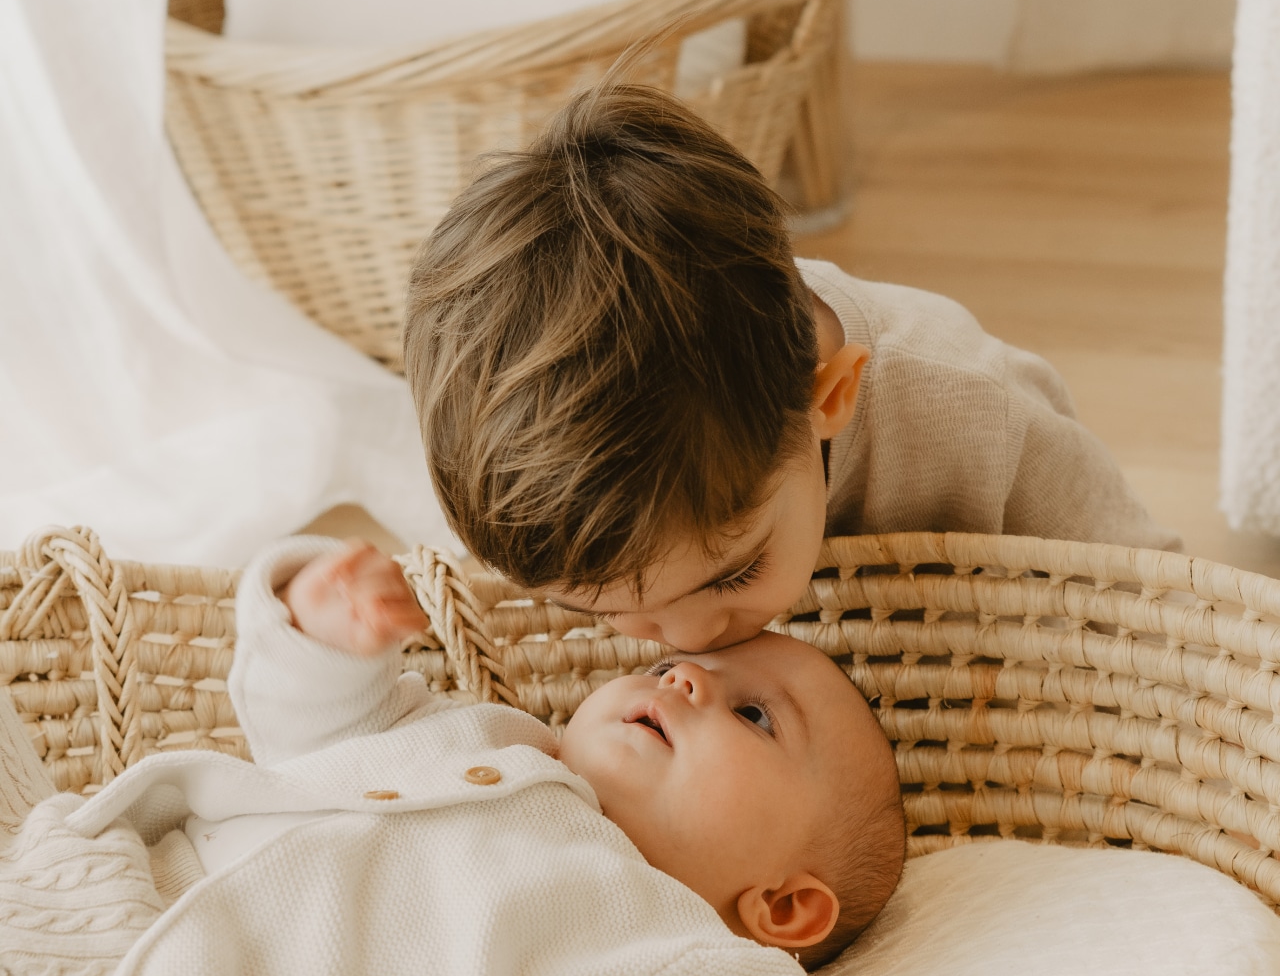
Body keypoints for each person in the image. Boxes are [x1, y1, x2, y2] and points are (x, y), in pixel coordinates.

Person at [0, 537, 905, 976]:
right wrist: (322, 630)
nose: (685, 678)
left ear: (783, 907)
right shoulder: (477, 735)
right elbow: (307, 729)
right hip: (74, 882)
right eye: (674, 663)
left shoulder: (680, 964)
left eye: (754, 715)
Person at [405, 84, 1179, 656]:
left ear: (830, 397)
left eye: (734, 577)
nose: (686, 644)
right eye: (600, 614)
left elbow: (1161, 606)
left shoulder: (970, 409)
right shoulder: (532, 482)